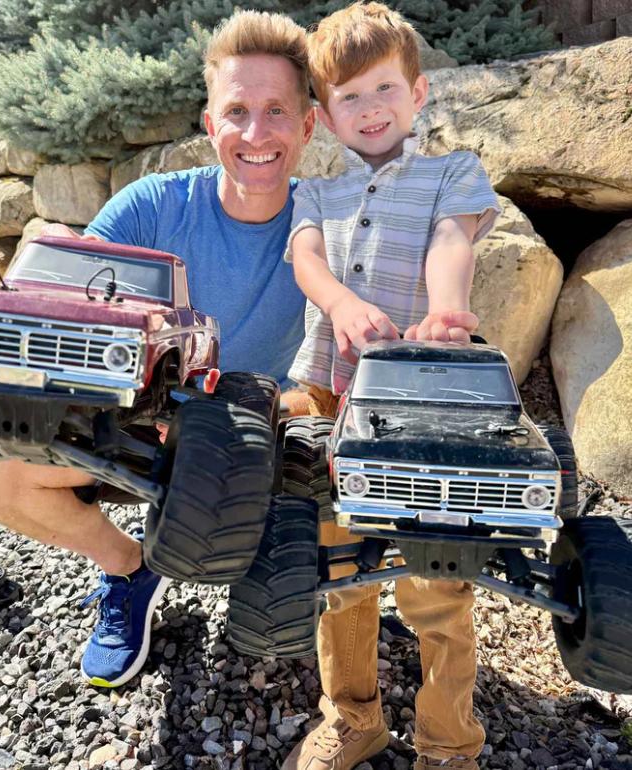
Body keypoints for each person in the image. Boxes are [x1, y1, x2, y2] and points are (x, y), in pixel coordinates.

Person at [0, 9, 315, 689]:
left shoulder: (326, 223)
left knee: (300, 558)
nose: (255, 133)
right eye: (236, 111)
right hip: (138, 426)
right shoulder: (153, 205)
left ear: (307, 126)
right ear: (210, 124)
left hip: (253, 439)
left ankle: (343, 604)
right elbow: (66, 307)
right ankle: (128, 568)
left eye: (276, 111)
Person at [280, 4, 500, 770]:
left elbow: (451, 238)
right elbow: (307, 261)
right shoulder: (317, 192)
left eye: (383, 88)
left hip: (421, 402)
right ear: (324, 111)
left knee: (434, 583)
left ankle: (449, 744)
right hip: (331, 396)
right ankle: (352, 716)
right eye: (349, 96)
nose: (369, 108)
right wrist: (341, 304)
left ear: (417, 92)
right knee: (338, 570)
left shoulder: (452, 172)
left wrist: (444, 308)